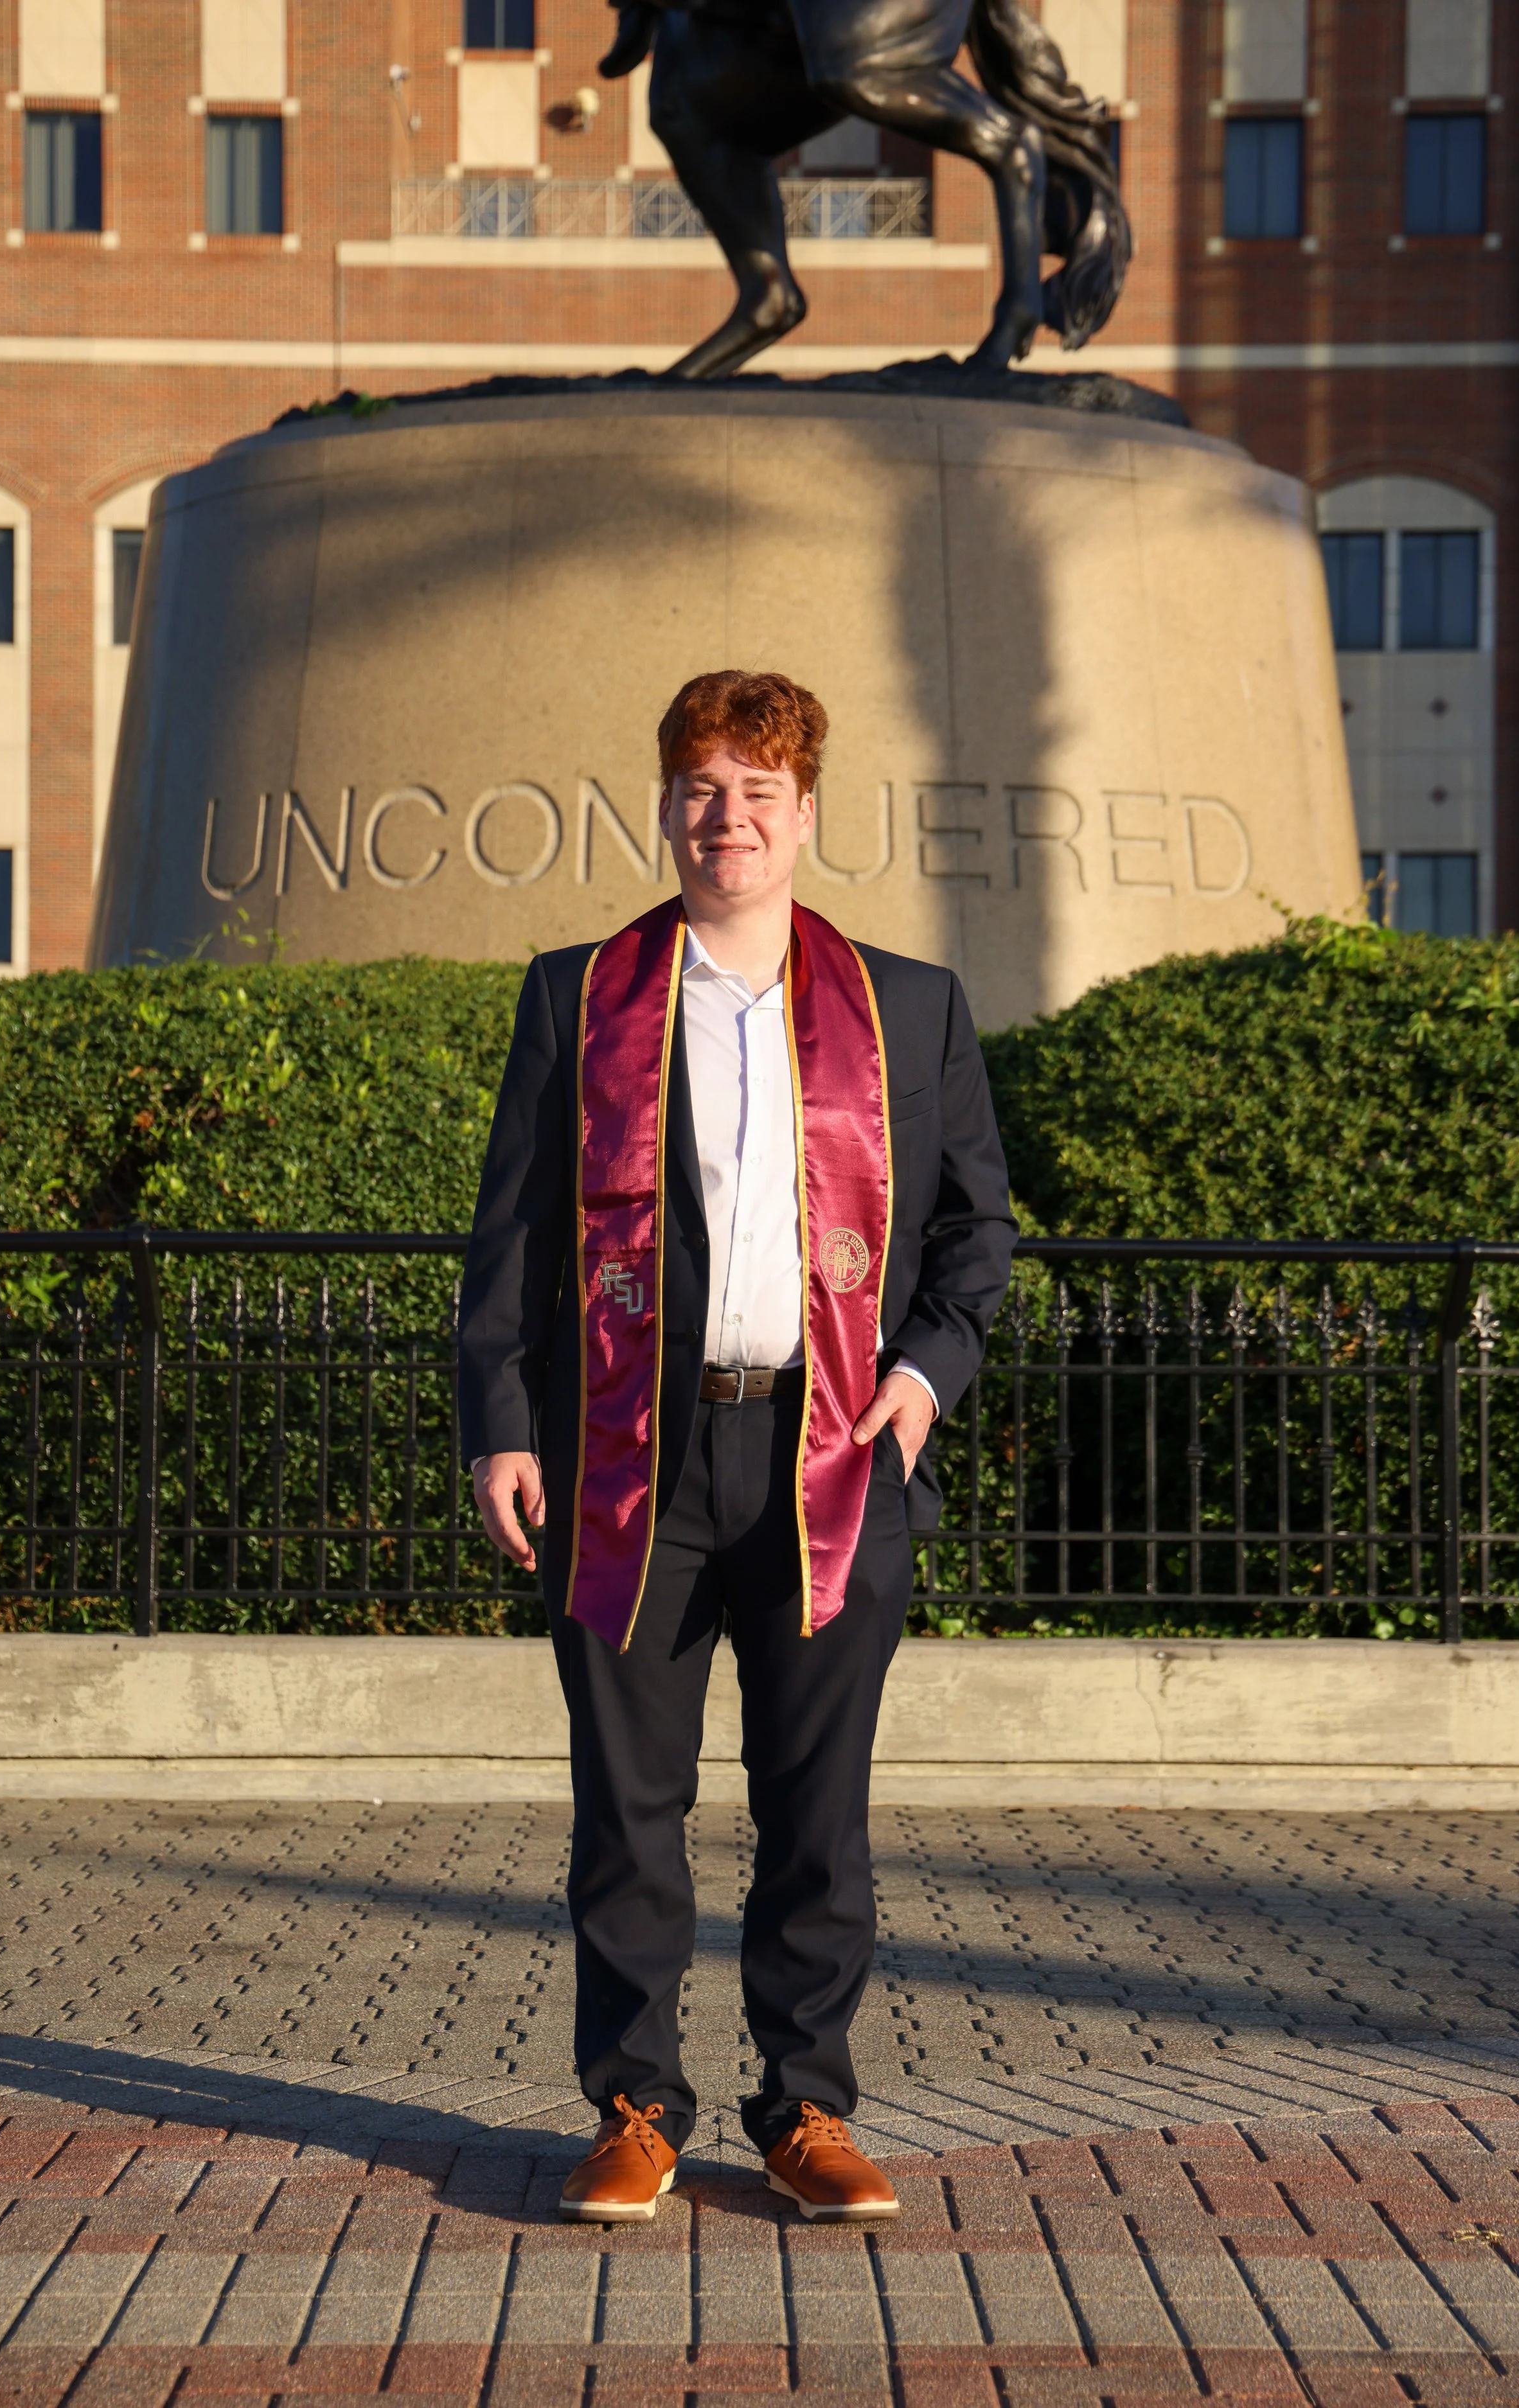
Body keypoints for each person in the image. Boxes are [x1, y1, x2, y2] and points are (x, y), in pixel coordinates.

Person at [459, 669, 1015, 2222]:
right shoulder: (579, 996)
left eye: (759, 792)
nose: (730, 818)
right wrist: (501, 1422)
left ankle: (806, 2108)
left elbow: (978, 1234)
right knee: (626, 1808)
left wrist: (923, 1380)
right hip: (629, 1459)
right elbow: (505, 1238)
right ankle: (633, 2104)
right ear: (667, 807)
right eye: (704, 788)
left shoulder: (909, 1006)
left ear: (805, 814)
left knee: (813, 1808)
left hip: (832, 1451)